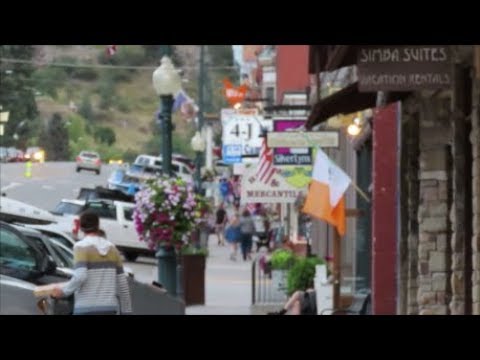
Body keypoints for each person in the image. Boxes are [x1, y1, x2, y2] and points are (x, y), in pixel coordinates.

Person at [51, 211, 132, 315]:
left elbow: (80, 276)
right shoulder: (112, 249)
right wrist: (127, 311)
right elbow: (122, 282)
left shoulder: (81, 247)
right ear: (98, 226)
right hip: (109, 308)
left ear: (80, 227)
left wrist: (64, 291)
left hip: (86, 307)